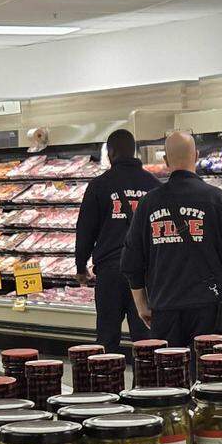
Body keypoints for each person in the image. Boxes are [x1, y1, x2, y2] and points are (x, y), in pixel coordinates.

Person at [121, 132, 222, 348]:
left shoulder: (148, 204)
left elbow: (131, 260)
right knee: (211, 367)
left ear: (166, 160)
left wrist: (142, 305)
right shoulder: (220, 200)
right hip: (210, 308)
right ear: (197, 156)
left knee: (170, 368)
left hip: (164, 307)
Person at [75, 129, 161, 352]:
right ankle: (146, 376)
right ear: (134, 152)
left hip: (110, 272)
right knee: (145, 342)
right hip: (144, 274)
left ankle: (106, 375)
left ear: (110, 153)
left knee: (106, 339)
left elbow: (85, 230)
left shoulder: (99, 185)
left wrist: (80, 266)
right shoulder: (154, 185)